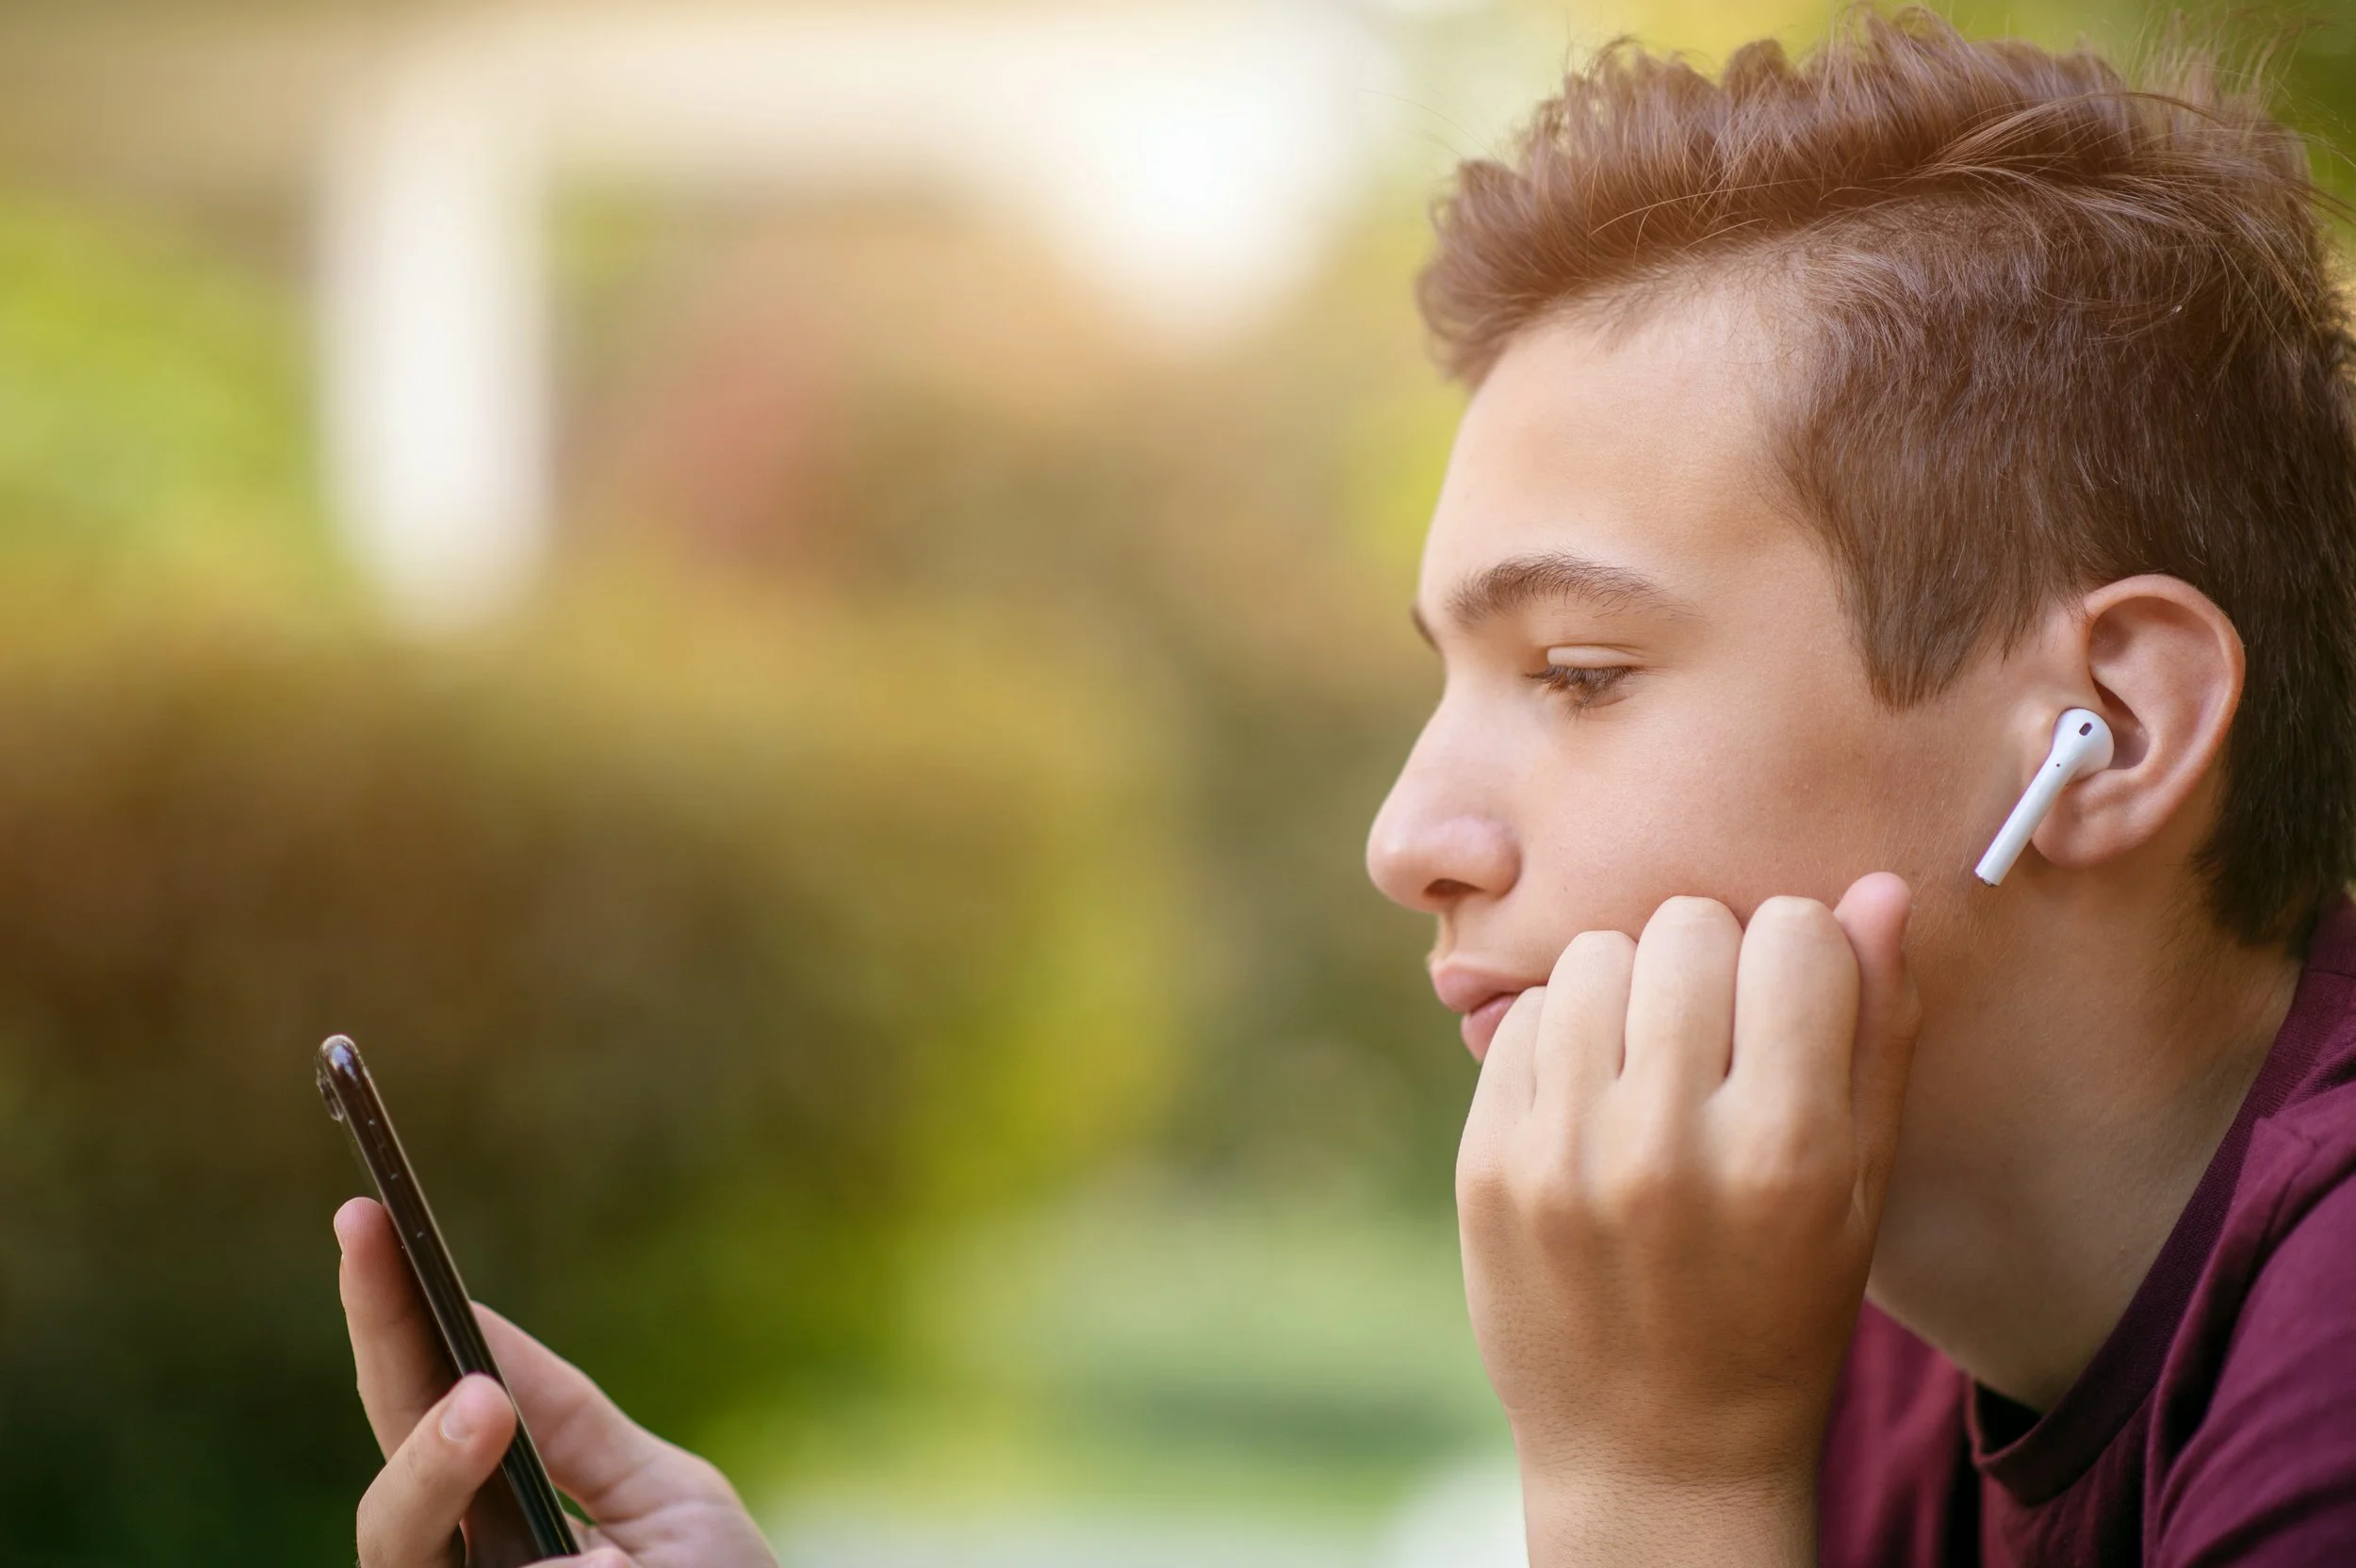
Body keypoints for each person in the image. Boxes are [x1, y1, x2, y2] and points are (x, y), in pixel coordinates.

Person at [334, 8, 2356, 1564]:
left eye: (1576, 671)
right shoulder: (1855, 1319)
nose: (1408, 838)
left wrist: (1654, 1488)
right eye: (1449, 677)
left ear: (2104, 724)